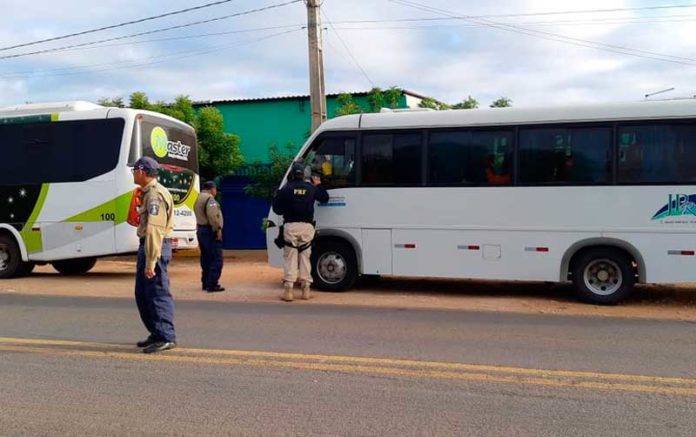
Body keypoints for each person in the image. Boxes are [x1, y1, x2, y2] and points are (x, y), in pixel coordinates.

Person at [129, 156, 177, 354]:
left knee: (156, 293)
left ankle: (166, 335)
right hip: (150, 247)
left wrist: (151, 261)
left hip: (154, 248)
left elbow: (154, 230)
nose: (133, 173)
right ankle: (156, 332)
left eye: (134, 170)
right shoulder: (148, 192)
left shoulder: (155, 195)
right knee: (143, 294)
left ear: (142, 171)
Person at [272, 162, 329, 302]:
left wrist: (276, 195)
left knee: (290, 258)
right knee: (305, 258)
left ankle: (289, 291)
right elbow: (325, 198)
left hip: (290, 226)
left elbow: (277, 210)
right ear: (304, 175)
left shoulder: (286, 189)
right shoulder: (311, 188)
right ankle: (306, 290)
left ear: (292, 174)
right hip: (307, 228)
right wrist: (318, 184)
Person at [194, 180, 225, 292]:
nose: (215, 192)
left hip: (201, 230)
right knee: (216, 258)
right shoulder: (209, 199)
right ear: (212, 189)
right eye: (215, 189)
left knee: (205, 258)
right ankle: (212, 284)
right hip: (209, 231)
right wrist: (217, 230)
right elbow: (213, 216)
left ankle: (205, 282)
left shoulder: (198, 198)